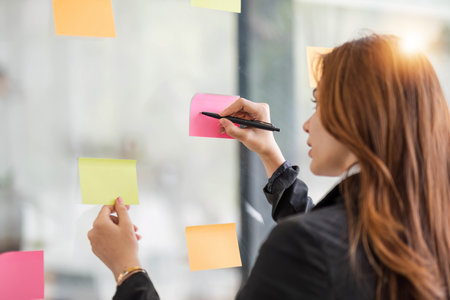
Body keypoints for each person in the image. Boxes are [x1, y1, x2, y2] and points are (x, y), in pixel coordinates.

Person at [87, 34, 450, 300]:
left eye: (318, 103)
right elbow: (342, 248)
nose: (307, 125)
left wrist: (126, 267)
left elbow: (322, 250)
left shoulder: (304, 247)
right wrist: (271, 156)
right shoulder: (428, 228)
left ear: (360, 115)